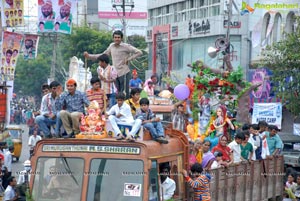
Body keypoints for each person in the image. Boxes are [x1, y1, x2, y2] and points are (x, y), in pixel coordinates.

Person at [84, 30, 143, 98]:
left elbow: (139, 52)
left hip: (124, 73)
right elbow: (103, 55)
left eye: (118, 37)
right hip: (114, 74)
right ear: (113, 38)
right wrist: (89, 56)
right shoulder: (111, 46)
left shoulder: (126, 46)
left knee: (124, 93)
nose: (117, 39)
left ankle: (125, 107)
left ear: (121, 38)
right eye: (115, 37)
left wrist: (129, 59)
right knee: (116, 93)